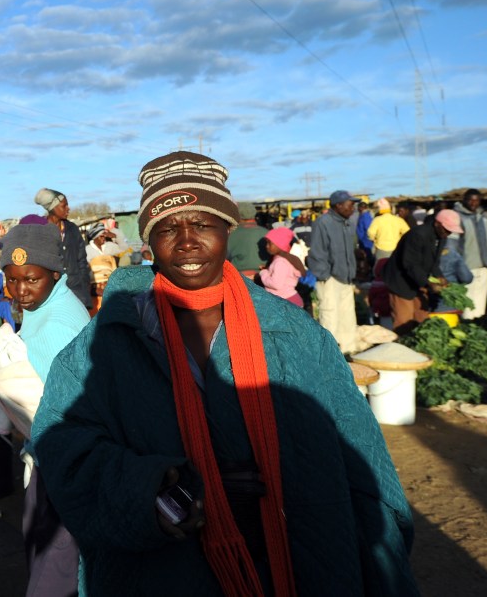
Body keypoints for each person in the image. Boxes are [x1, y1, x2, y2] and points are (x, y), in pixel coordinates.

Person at [31, 150, 417, 596]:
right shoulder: (107, 343)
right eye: (168, 228)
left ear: (227, 229)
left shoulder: (295, 335)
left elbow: (359, 456)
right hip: (167, 573)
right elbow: (60, 442)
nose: (187, 241)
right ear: (148, 242)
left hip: (295, 562)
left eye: (203, 224)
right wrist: (161, 491)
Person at [0, 223, 91, 597]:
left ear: (56, 273)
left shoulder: (60, 324)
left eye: (31, 279)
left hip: (67, 460)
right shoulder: (45, 308)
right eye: (12, 279)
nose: (21, 291)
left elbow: (68, 402)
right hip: (48, 452)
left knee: (57, 564)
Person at [383, 209, 461, 333]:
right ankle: (402, 349)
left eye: (450, 230)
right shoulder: (418, 235)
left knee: (422, 321)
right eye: (446, 229)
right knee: (404, 322)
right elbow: (410, 264)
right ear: (437, 224)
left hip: (418, 281)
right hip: (401, 281)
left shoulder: (441, 237)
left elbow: (434, 262)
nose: (448, 233)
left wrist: (439, 276)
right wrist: (429, 283)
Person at [307, 190, 359, 351]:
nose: (353, 209)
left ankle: (348, 351)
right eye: (350, 205)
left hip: (346, 277)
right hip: (329, 278)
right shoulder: (323, 222)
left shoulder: (347, 223)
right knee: (330, 316)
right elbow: (317, 252)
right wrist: (325, 276)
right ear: (339, 205)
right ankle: (331, 353)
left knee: (348, 317)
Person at [35, 189, 91, 309]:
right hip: (52, 292)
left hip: (76, 291)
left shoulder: (72, 229)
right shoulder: (40, 231)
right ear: (53, 207)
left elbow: (81, 260)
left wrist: (84, 284)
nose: (68, 208)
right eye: (64, 205)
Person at [452, 189, 487, 320]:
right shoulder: (457, 218)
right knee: (467, 303)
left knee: (480, 302)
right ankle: (466, 326)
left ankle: (478, 325)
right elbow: (452, 244)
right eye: (470, 200)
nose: (473, 203)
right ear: (464, 200)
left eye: (476, 200)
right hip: (466, 267)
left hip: (483, 266)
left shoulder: (483, 218)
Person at [256, 227, 306, 307]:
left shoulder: (280, 262)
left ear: (280, 244)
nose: (267, 246)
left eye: (270, 243)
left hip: (286, 302)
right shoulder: (283, 259)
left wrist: (263, 273)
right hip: (288, 300)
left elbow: (276, 284)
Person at [226, 201, 267, 278]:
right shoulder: (265, 232)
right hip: (264, 276)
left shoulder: (231, 234)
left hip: (239, 277)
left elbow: (224, 257)